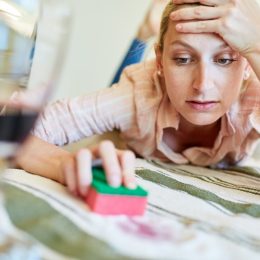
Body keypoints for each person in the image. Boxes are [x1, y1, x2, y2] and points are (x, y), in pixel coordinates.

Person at [17, 0, 260, 200]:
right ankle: (144, 33)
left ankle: (148, 30)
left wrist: (257, 45)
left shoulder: (253, 98)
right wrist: (62, 163)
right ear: (161, 61)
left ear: (248, 65)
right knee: (124, 91)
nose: (202, 85)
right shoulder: (136, 96)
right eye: (183, 59)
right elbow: (15, 129)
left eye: (224, 60)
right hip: (140, 101)